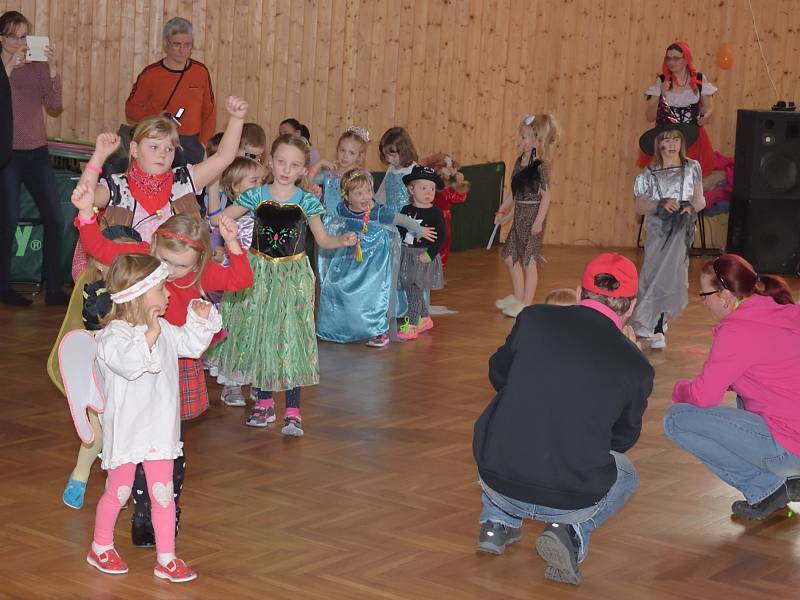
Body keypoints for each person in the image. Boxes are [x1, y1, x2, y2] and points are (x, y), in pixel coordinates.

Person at [71, 184, 253, 546]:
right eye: (165, 261)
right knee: (135, 438)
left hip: (176, 361)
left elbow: (241, 279)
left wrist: (232, 246)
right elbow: (100, 248)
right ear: (153, 248)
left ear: (198, 263)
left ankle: (166, 504)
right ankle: (141, 513)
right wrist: (86, 216)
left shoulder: (200, 275)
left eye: (181, 266)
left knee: (169, 443)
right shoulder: (143, 261)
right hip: (134, 359)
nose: (169, 274)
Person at [473, 253, 653, 586]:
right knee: (626, 473)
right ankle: (569, 531)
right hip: (571, 497)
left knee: (510, 412)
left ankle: (495, 522)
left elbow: (498, 374)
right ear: (631, 307)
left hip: (499, 479)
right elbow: (622, 440)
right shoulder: (637, 365)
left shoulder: (534, 318)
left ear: (578, 292)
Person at [208, 134, 357, 434]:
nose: (286, 169)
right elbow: (219, 219)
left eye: (295, 165)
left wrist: (341, 240)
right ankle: (264, 403)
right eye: (280, 162)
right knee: (261, 332)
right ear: (270, 163)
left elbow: (323, 239)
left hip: (293, 277)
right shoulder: (256, 195)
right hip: (258, 274)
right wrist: (223, 226)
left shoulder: (306, 201)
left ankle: (292, 409)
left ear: (304, 170)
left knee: (291, 335)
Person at [85, 254, 221, 583]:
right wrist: (152, 333)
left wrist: (200, 321)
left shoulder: (165, 330)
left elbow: (190, 344)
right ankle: (100, 546)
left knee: (163, 493)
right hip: (128, 431)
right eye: (161, 288)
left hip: (160, 429)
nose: (169, 294)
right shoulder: (113, 337)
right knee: (118, 491)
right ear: (139, 295)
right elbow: (129, 364)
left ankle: (167, 557)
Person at [664, 254, 800, 521]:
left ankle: (765, 488)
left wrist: (679, 389)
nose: (703, 302)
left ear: (725, 295)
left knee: (677, 418)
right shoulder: (779, 310)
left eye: (705, 295)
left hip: (791, 446)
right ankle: (776, 486)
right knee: (741, 397)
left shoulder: (737, 330)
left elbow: (703, 397)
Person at [76, 96, 247, 242]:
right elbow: (85, 198)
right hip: (129, 275)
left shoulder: (184, 181)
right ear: (134, 149)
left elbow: (223, 158)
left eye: (169, 149)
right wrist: (99, 156)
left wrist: (237, 119)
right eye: (154, 147)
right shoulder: (117, 186)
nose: (162, 155)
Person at [316, 168, 432, 347]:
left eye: (368, 191)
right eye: (358, 193)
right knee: (337, 287)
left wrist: (418, 229)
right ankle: (337, 328)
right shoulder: (342, 209)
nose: (365, 197)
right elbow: (329, 218)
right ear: (346, 196)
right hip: (350, 257)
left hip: (374, 262)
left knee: (374, 295)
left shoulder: (377, 211)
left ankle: (379, 330)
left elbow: (400, 219)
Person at [0, 10, 67, 306]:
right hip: (8, 154)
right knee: (7, 222)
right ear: (2, 38)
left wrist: (52, 68)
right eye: (15, 36)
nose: (21, 41)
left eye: (25, 35)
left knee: (54, 217)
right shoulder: (4, 65)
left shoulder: (36, 63)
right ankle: (2, 287)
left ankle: (54, 288)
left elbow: (54, 104)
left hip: (37, 151)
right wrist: (9, 67)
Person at [631, 128, 704, 349]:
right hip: (658, 229)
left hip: (682, 228)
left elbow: (700, 199)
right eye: (667, 140)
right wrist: (660, 203)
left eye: (676, 139)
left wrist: (690, 207)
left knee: (672, 276)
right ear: (659, 145)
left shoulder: (692, 167)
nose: (672, 144)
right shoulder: (648, 174)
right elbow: (640, 206)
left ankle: (657, 326)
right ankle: (647, 320)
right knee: (652, 273)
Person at [495, 114, 561, 318]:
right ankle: (518, 296)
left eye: (524, 137)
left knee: (528, 260)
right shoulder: (518, 162)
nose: (520, 141)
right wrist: (501, 210)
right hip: (520, 214)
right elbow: (514, 193)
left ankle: (527, 303)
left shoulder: (539, 166)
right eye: (520, 136)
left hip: (533, 215)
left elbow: (546, 195)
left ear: (536, 141)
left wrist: (539, 221)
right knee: (509, 255)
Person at [125, 17, 215, 166]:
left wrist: (203, 144)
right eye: (177, 44)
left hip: (191, 145)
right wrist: (154, 118)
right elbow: (131, 109)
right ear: (166, 44)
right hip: (158, 142)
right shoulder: (150, 74)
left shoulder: (201, 72)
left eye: (187, 45)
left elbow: (210, 112)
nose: (182, 50)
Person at [637, 41, 716, 175]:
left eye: (675, 58)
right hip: (667, 141)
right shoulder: (662, 81)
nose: (671, 62)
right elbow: (649, 117)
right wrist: (661, 94)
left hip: (692, 140)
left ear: (686, 60)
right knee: (666, 182)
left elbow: (708, 107)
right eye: (668, 58)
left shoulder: (699, 79)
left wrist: (705, 116)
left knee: (689, 184)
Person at [395, 166, 448, 341]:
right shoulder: (406, 211)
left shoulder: (436, 213)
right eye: (423, 188)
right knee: (412, 288)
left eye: (432, 189)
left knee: (414, 290)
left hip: (423, 257)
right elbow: (400, 231)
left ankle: (412, 324)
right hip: (408, 255)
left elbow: (442, 238)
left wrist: (430, 254)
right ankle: (424, 318)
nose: (428, 192)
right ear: (411, 189)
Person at [375, 127, 418, 209]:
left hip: (405, 217)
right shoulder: (391, 168)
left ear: (404, 151)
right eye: (386, 155)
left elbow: (419, 200)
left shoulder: (414, 170)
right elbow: (382, 193)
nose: (389, 159)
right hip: (389, 215)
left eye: (393, 156)